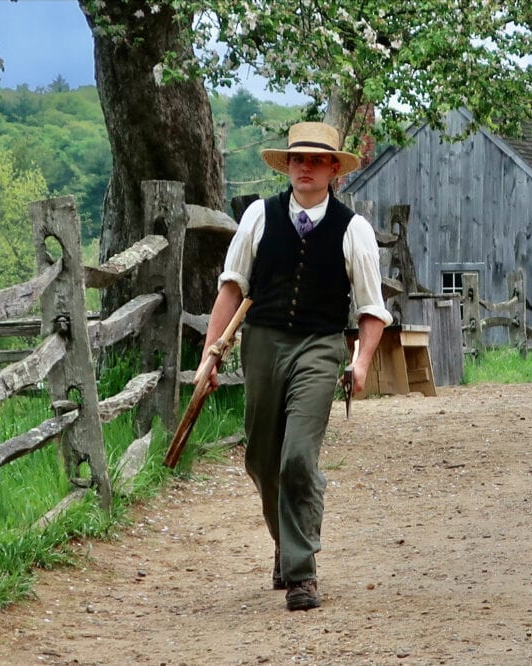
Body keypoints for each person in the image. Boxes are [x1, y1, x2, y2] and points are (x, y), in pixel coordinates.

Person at [202, 121, 392, 611]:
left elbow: (372, 311)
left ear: (334, 169)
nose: (304, 168)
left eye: (315, 160)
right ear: (287, 166)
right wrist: (210, 355)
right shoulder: (258, 219)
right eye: (296, 160)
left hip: (320, 347)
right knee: (262, 461)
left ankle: (301, 573)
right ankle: (286, 544)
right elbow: (231, 287)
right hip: (262, 345)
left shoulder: (354, 230)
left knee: (298, 459)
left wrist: (362, 362)